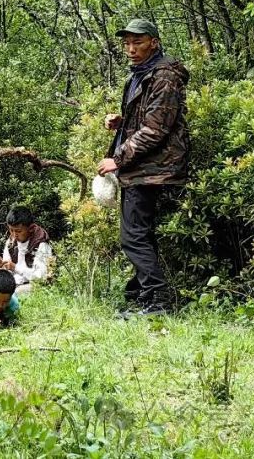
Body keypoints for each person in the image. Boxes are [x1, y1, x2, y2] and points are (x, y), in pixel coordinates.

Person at [97, 18, 190, 316]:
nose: (130, 49)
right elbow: (148, 120)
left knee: (133, 236)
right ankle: (141, 296)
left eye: (137, 42)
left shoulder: (163, 76)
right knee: (141, 233)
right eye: (127, 43)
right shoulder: (141, 74)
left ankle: (157, 302)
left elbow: (155, 129)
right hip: (143, 168)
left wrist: (118, 158)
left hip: (152, 169)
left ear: (154, 42)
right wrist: (121, 122)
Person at [0, 206, 52, 293]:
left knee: (15, 293)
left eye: (18, 231)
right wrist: (2, 266)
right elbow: (8, 268)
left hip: (35, 285)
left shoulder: (41, 244)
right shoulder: (11, 242)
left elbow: (41, 277)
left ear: (31, 228)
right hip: (16, 282)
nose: (14, 234)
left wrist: (15, 268)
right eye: (11, 230)